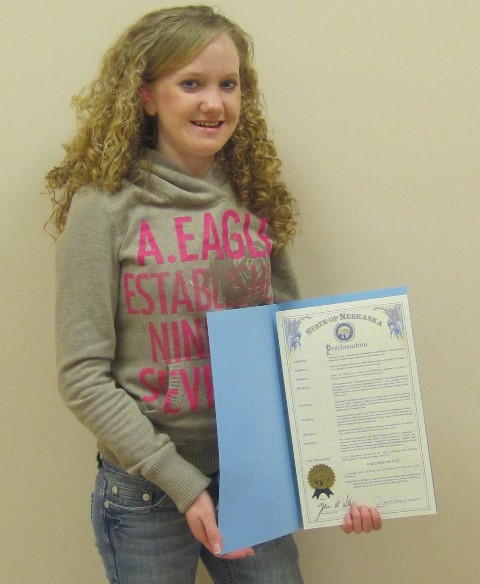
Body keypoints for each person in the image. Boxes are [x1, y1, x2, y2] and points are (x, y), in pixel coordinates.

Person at [46, 5, 382, 584]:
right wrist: (181, 482)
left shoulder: (254, 196)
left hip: (251, 475)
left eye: (229, 84)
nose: (214, 103)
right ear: (147, 96)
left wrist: (344, 469)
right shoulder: (103, 208)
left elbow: (293, 350)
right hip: (146, 490)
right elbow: (82, 376)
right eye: (191, 84)